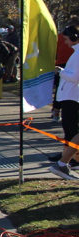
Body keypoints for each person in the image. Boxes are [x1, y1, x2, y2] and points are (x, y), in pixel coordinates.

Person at [49, 25, 79, 179]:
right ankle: (66, 158)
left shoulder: (78, 53)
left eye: (66, 39)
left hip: (73, 95)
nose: (65, 42)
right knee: (69, 129)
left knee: (72, 130)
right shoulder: (75, 52)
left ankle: (69, 159)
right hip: (68, 94)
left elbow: (75, 77)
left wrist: (62, 72)